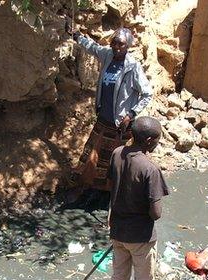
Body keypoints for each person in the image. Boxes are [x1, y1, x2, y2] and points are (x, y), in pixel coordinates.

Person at [65, 25, 153, 208]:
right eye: (114, 43)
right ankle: (86, 189)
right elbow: (92, 47)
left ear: (128, 46)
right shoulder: (107, 56)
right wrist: (76, 35)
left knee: (114, 163)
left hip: (120, 125)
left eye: (120, 44)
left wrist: (131, 113)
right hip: (103, 120)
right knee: (92, 157)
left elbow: (147, 94)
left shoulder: (133, 67)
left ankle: (110, 196)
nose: (116, 47)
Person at [102, 116, 169, 280]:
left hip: (118, 232)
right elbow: (156, 213)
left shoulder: (117, 153)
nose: (158, 143)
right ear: (149, 140)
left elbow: (113, 188)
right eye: (158, 139)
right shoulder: (150, 169)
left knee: (118, 277)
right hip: (141, 238)